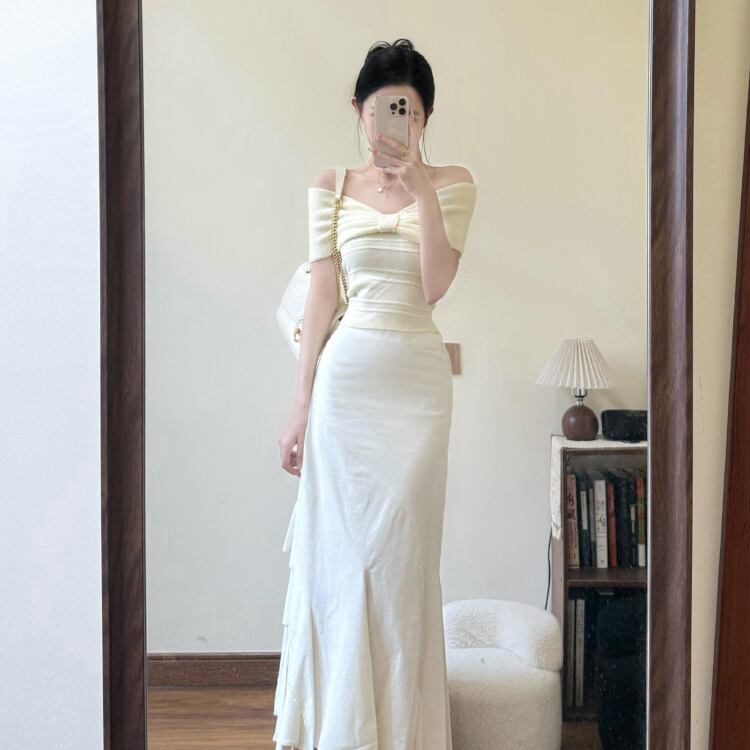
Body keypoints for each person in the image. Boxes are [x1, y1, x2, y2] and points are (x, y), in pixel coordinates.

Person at [274, 38, 477, 750]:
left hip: (417, 392)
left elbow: (434, 285)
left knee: (401, 562)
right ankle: (342, 731)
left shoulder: (453, 183)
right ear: (358, 108)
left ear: (425, 118)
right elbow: (322, 293)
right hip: (346, 389)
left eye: (411, 111)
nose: (396, 123)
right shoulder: (329, 185)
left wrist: (420, 190)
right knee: (345, 560)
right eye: (385, 108)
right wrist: (299, 406)